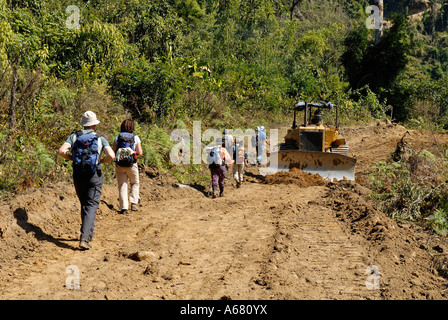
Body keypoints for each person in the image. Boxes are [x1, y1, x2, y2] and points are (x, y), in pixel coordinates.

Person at [58, 111, 115, 250]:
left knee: (84, 203)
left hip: (78, 174)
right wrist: (101, 161)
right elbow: (112, 155)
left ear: (83, 124)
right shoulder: (100, 138)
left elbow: (61, 151)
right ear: (95, 124)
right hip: (94, 175)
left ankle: (88, 231)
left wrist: (72, 159)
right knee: (92, 205)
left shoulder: (75, 136)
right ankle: (84, 238)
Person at [112, 119, 143, 215]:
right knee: (134, 183)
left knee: (122, 185)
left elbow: (113, 150)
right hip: (131, 164)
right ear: (132, 127)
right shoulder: (135, 137)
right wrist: (133, 153)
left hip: (119, 164)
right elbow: (140, 153)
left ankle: (124, 208)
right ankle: (133, 204)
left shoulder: (118, 137)